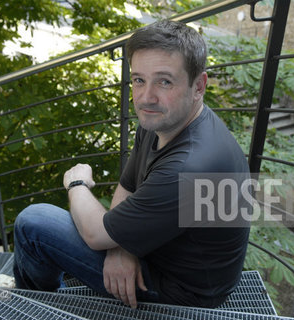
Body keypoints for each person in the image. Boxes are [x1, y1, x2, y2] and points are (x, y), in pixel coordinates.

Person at [13, 19, 251, 309]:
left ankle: (36, 308)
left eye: (165, 81)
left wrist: (76, 183)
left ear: (198, 85)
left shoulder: (190, 166)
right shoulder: (164, 118)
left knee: (33, 223)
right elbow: (127, 185)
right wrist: (122, 247)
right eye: (139, 79)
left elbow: (96, 234)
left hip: (184, 294)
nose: (146, 97)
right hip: (164, 252)